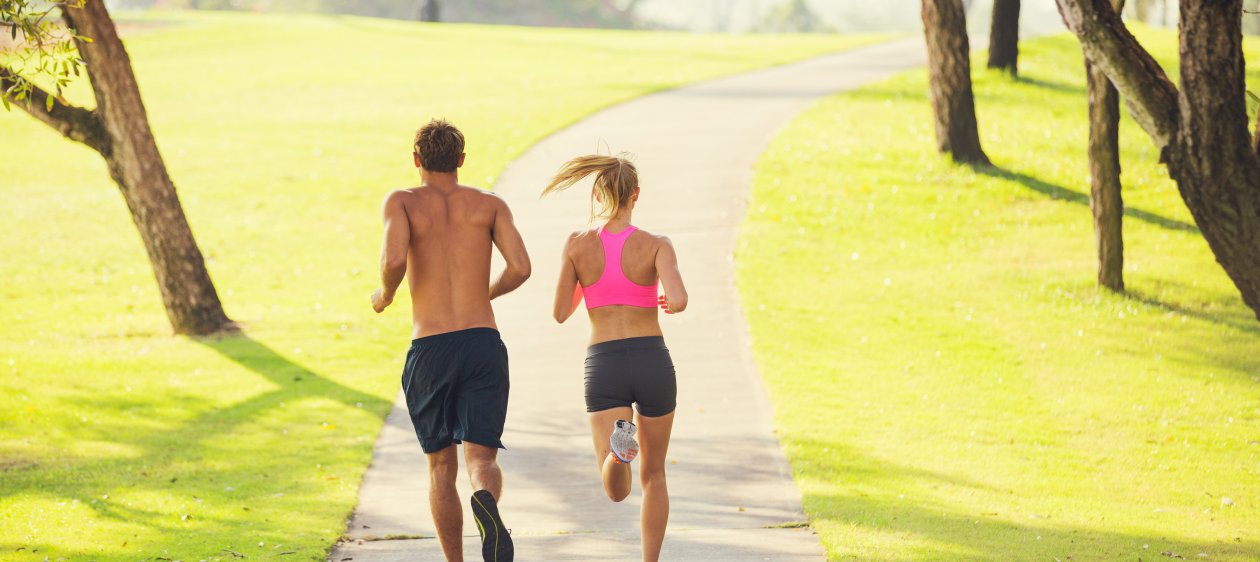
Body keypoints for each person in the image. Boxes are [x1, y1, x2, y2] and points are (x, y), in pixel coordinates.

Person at [371, 119, 530, 562]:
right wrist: (486, 293)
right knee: (483, 459)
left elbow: (394, 258)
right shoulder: (489, 205)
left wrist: (384, 296)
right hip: (482, 341)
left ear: (416, 160)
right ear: (461, 161)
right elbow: (521, 267)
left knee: (441, 467)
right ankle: (488, 505)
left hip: (431, 347)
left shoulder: (401, 202)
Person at [542, 154, 688, 562]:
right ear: (635, 195)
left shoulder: (577, 245)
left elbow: (559, 313)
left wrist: (590, 283)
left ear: (600, 193)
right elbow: (678, 299)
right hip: (651, 360)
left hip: (604, 364)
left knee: (616, 489)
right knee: (655, 474)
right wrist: (669, 303)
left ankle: (617, 452)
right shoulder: (657, 244)